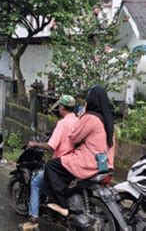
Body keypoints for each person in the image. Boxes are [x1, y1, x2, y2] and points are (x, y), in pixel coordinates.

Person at [42, 85, 115, 217]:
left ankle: (62, 204)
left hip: (87, 161)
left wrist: (82, 116)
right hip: (104, 164)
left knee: (51, 165)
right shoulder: (108, 121)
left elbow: (75, 137)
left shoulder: (91, 118)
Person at [18, 95, 78, 231]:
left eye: (59, 107)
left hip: (60, 164)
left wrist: (35, 144)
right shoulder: (78, 121)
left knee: (35, 182)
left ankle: (33, 219)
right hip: (74, 164)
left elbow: (51, 146)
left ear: (62, 107)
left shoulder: (63, 123)